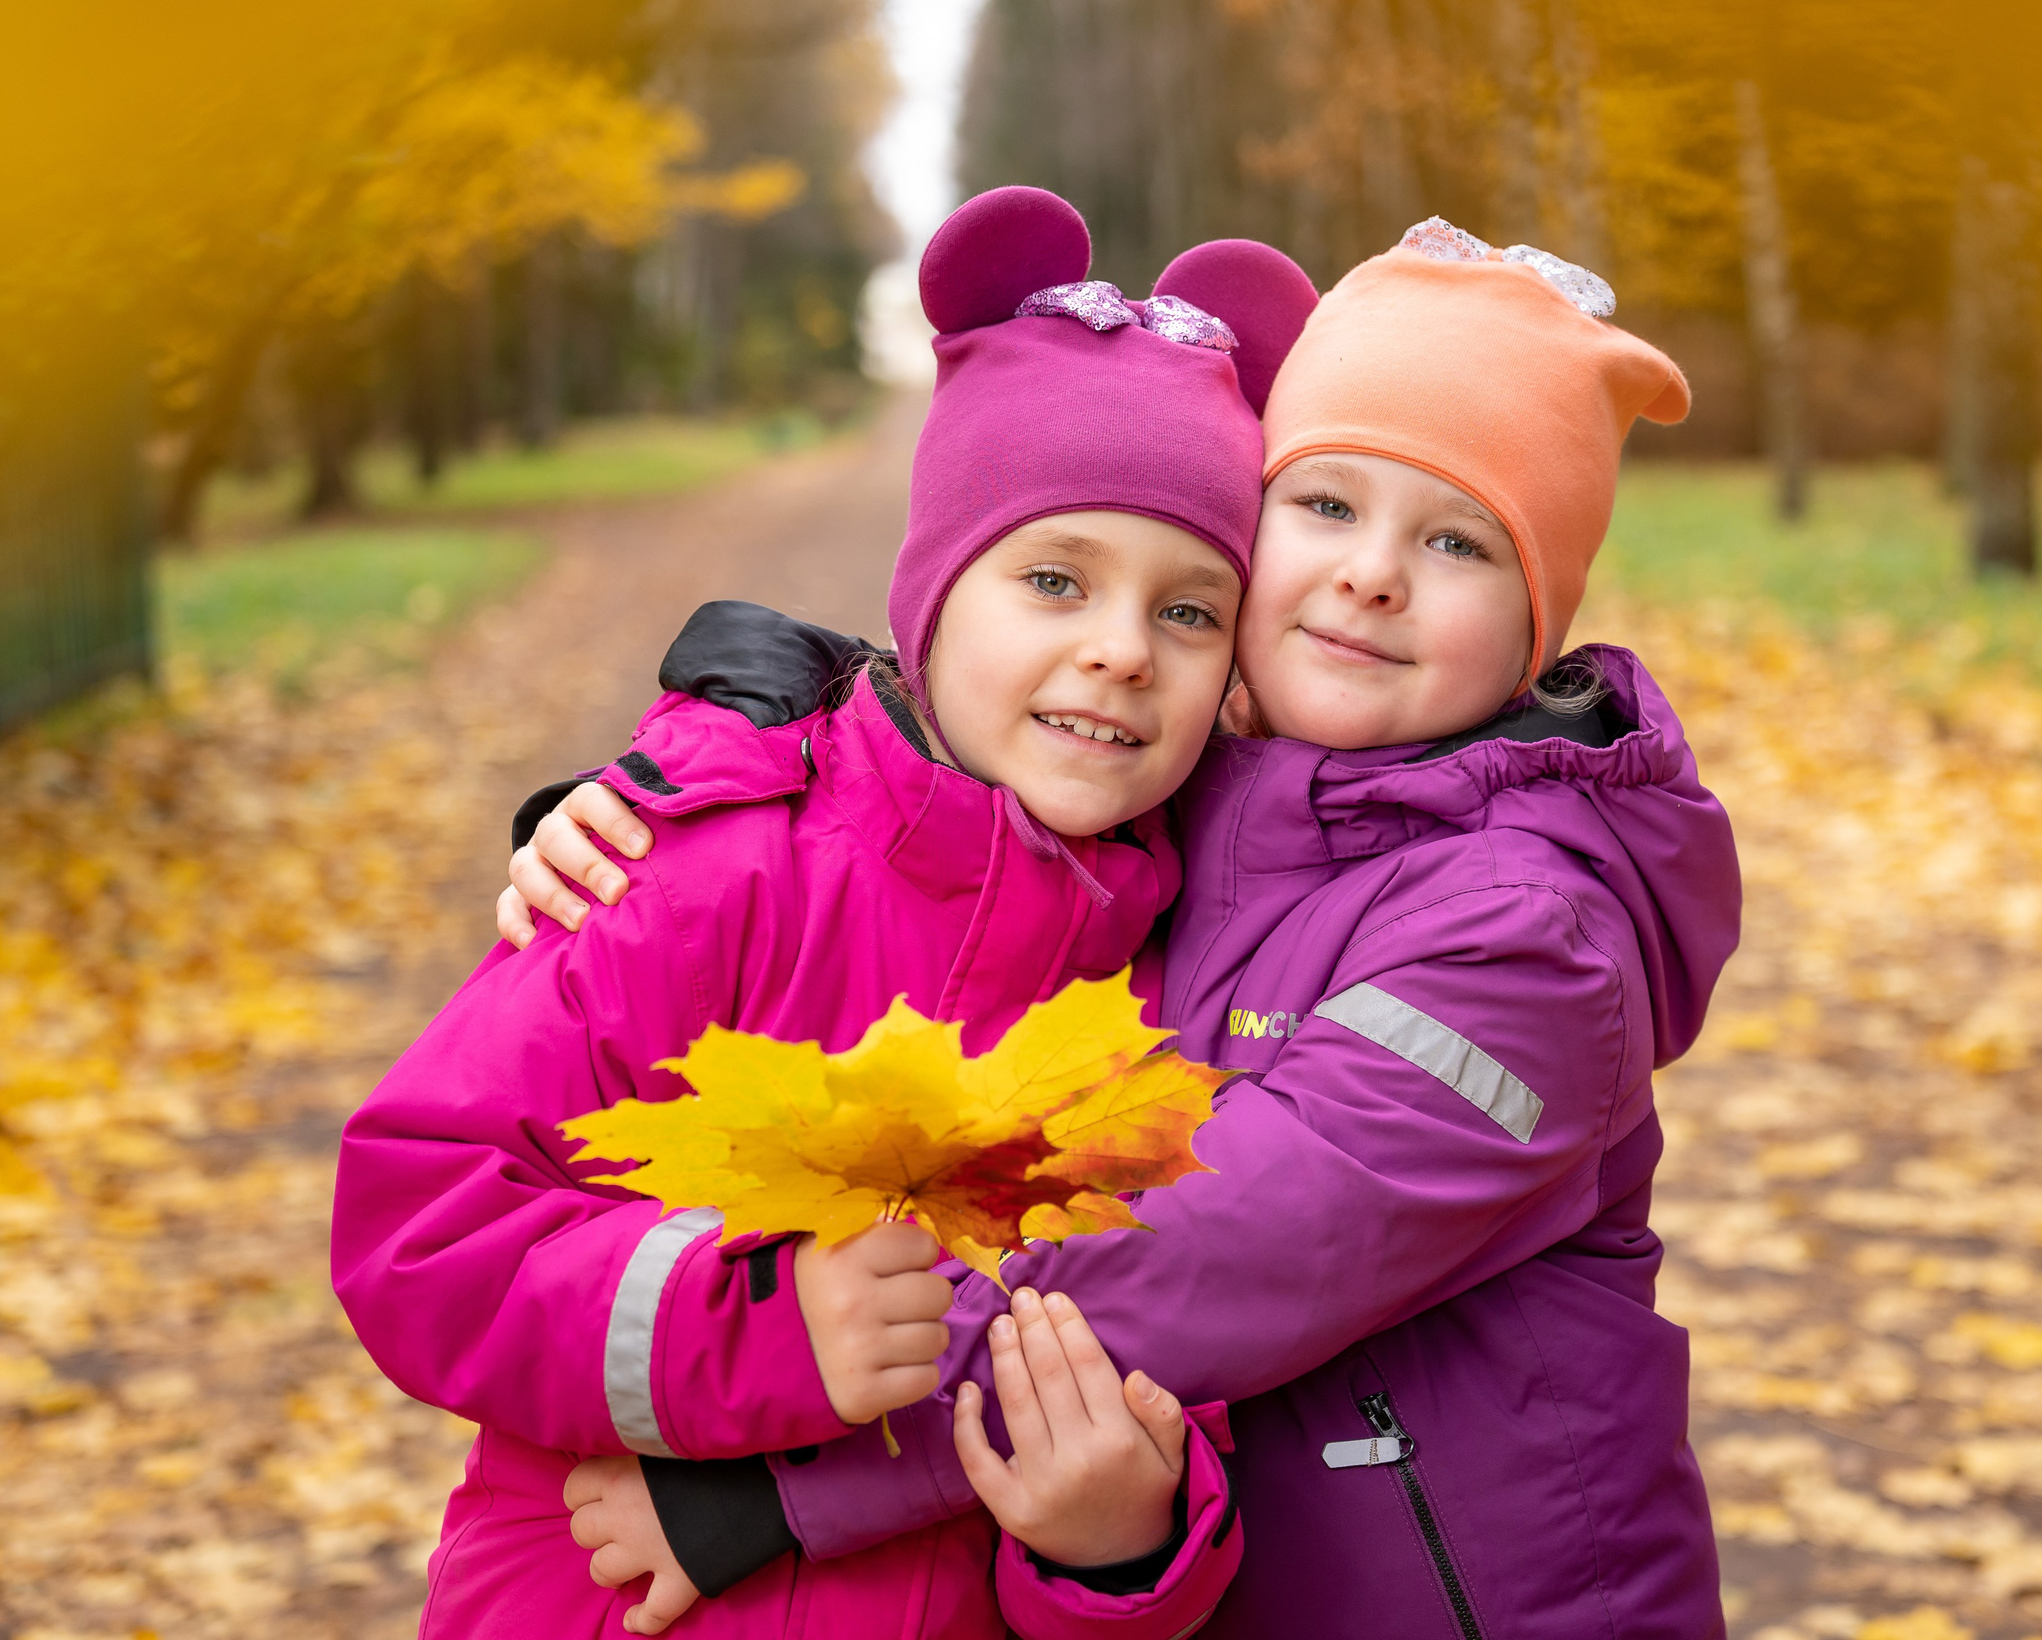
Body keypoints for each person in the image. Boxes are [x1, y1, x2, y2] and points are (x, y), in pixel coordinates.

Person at [508, 215, 1743, 1638]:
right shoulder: (1192, 796)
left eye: (1459, 540)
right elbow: (938, 746)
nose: (1374, 575)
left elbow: (1199, 1251)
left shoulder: (1529, 935)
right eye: (1325, 506)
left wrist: (783, 1473)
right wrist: (660, 798)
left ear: (1539, 622)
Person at [330, 185, 1321, 1639]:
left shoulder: (1180, 983)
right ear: (930, 602)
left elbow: (1183, 1350)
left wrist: (1125, 1553)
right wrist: (745, 1324)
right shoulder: (704, 864)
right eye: (1054, 580)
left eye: (1190, 612)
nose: (1119, 651)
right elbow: (418, 1224)